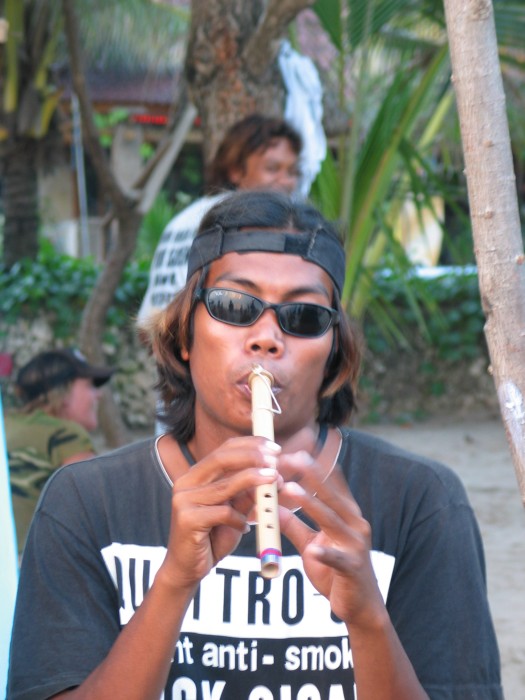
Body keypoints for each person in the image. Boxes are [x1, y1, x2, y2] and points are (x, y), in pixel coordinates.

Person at [7, 191, 503, 699]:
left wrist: (368, 620)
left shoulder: (423, 502)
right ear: (183, 334)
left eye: (304, 317)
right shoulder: (87, 502)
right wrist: (175, 581)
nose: (267, 337)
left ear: (334, 354)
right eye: (234, 306)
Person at [136, 114, 302, 327]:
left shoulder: (183, 219)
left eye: (292, 171)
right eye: (272, 169)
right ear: (235, 171)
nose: (285, 181)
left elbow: (146, 323)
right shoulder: (247, 220)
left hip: (166, 344)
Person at [5, 348, 114, 554]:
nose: (98, 395)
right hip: (28, 566)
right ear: (62, 392)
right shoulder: (65, 434)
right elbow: (96, 515)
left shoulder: (6, 425)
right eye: (90, 386)